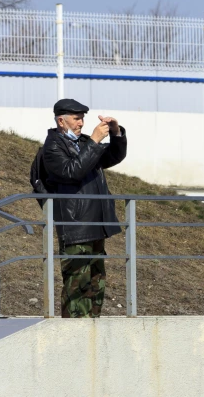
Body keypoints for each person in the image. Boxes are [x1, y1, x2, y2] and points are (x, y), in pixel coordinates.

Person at [42, 98, 127, 318]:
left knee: (96, 282)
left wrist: (116, 133)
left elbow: (113, 156)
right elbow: (73, 171)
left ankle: (92, 329)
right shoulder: (52, 147)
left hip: (96, 223)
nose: (81, 123)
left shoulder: (83, 143)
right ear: (62, 121)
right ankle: (73, 335)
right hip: (76, 225)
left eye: (82, 119)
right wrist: (95, 141)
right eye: (76, 119)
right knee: (76, 283)